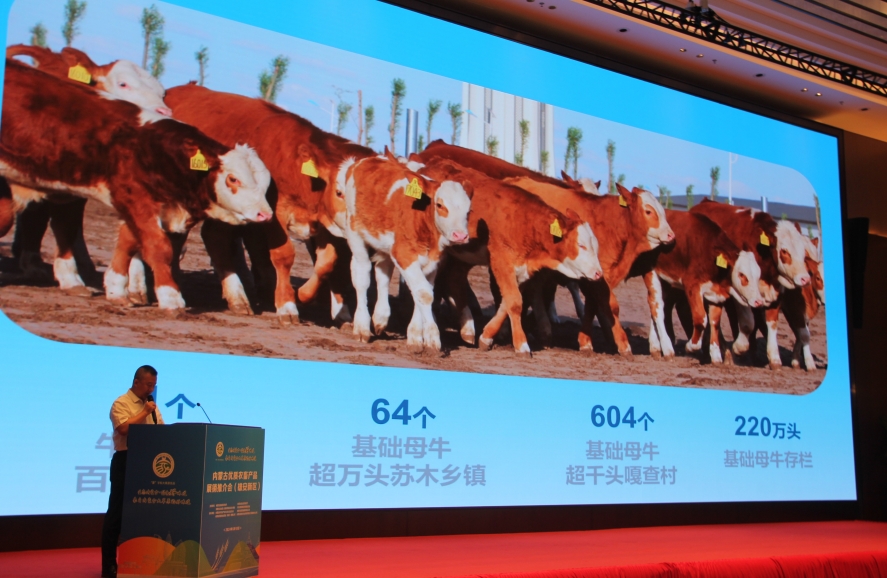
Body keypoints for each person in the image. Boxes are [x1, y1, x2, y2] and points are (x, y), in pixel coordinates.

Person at [101, 365, 165, 578]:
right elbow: (123, 429)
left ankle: (139, 563)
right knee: (116, 515)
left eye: (154, 386)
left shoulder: (153, 407)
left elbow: (162, 431)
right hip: (126, 461)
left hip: (148, 463)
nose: (151, 389)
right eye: (148, 385)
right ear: (136, 382)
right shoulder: (122, 403)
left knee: (144, 515)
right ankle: (109, 566)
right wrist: (145, 412)